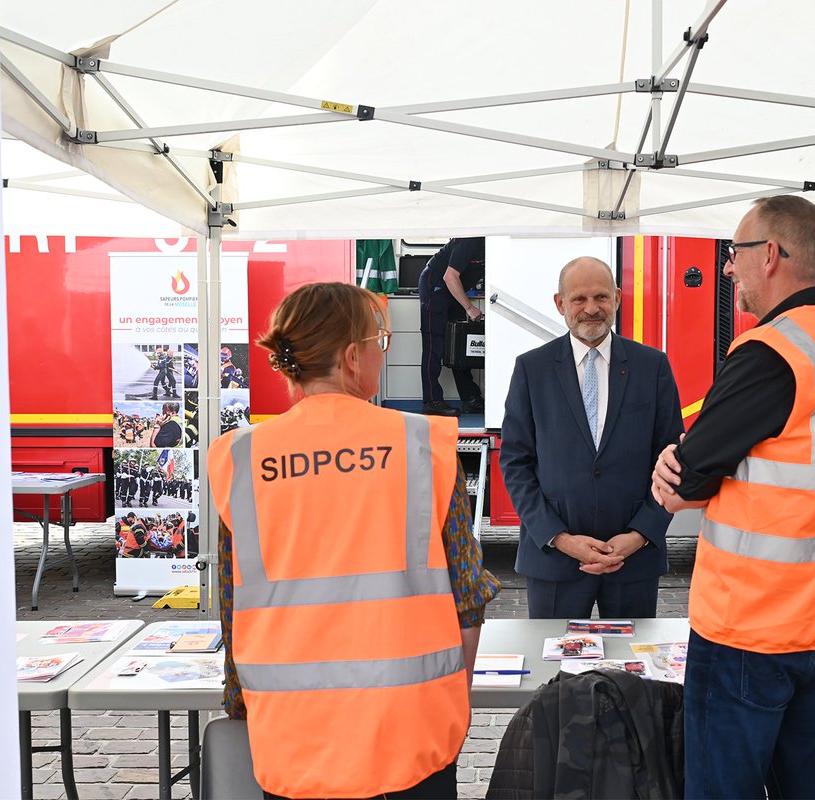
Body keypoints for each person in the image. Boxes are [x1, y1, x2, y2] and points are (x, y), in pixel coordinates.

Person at [207, 281, 499, 800]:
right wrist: (450, 699)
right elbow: (467, 599)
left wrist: (243, 702)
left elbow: (232, 601)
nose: (381, 356)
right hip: (410, 735)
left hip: (293, 736)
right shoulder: (421, 444)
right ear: (349, 357)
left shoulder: (243, 457)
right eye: (379, 342)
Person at [650, 196, 815, 799]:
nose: (729, 269)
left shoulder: (771, 352)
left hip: (750, 626)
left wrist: (684, 475)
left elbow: (686, 478)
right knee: (806, 780)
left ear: (772, 255)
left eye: (735, 254)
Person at [499, 256, 684, 619]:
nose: (591, 309)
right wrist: (562, 539)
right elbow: (516, 463)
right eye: (578, 299)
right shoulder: (531, 369)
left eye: (601, 297)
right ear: (560, 303)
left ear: (617, 297)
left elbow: (672, 462)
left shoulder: (653, 367)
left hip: (633, 561)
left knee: (635, 675)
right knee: (554, 673)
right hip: (554, 561)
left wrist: (638, 536)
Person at [418, 237, 485, 416]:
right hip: (437, 285)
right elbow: (450, 276)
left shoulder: (496, 245)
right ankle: (432, 401)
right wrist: (469, 308)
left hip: (455, 290)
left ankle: (470, 397)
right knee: (434, 342)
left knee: (458, 344)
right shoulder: (472, 239)